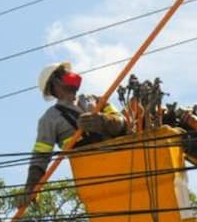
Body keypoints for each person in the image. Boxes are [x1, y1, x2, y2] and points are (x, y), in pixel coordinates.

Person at [19, 62, 126, 206]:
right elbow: (41, 156)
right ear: (54, 85)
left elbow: (123, 122)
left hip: (122, 160)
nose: (70, 75)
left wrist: (104, 121)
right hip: (92, 174)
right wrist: (31, 186)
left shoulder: (94, 99)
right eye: (63, 73)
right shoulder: (50, 119)